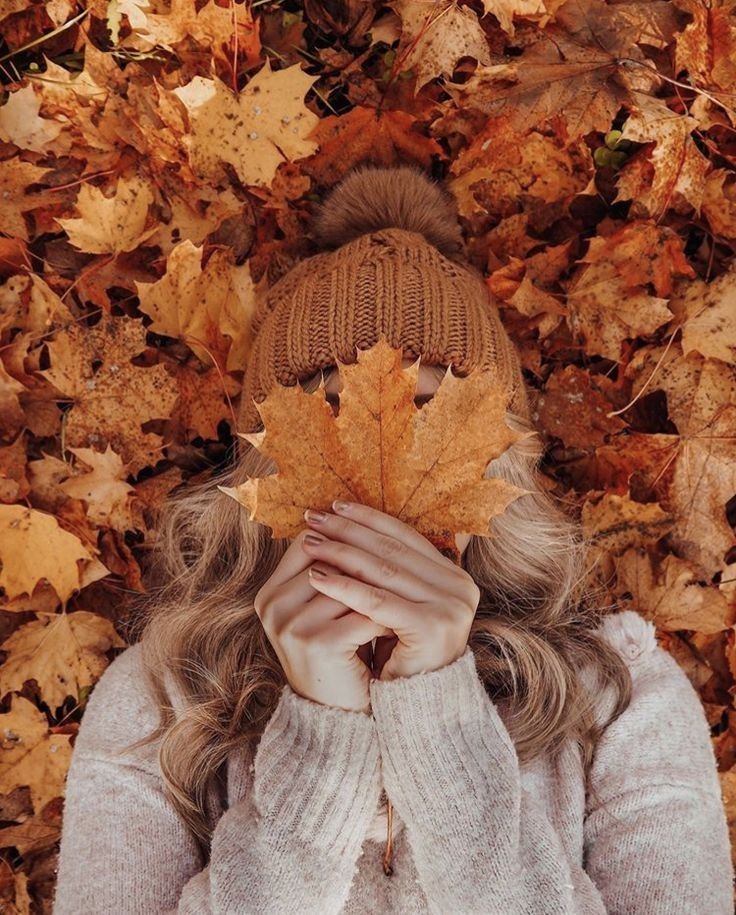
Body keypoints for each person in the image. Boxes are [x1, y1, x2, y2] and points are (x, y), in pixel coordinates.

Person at [52, 163, 733, 914]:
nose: (385, 462)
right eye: (334, 415)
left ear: (496, 462)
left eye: (434, 417)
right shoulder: (159, 701)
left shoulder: (621, 694)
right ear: (268, 466)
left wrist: (444, 727)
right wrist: (318, 741)